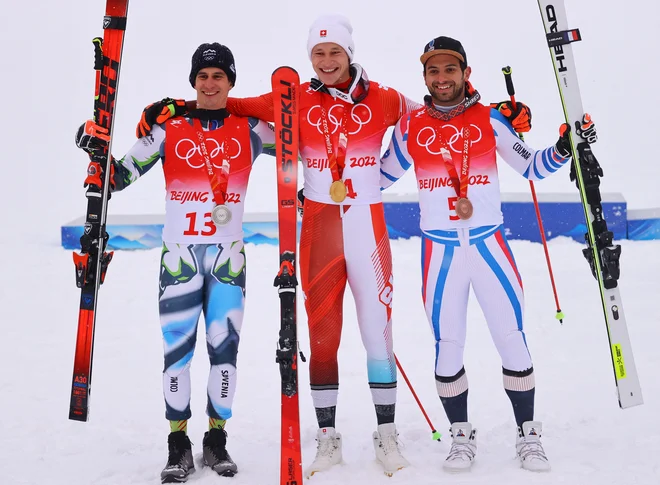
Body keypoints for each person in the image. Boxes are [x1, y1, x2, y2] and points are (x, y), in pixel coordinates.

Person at [135, 17, 530, 478]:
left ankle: (386, 434)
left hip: (368, 227)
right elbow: (229, 104)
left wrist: (499, 112)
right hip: (320, 230)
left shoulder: (383, 99)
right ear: (310, 58)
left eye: (335, 53)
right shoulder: (293, 100)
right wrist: (170, 109)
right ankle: (327, 437)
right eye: (318, 54)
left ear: (348, 54)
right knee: (323, 338)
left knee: (377, 335)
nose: (327, 61)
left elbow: (437, 109)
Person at [379, 36, 597, 473]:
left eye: (449, 69)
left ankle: (528, 433)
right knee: (448, 347)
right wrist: (323, 187)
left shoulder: (491, 119)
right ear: (425, 76)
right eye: (433, 71)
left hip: (488, 247)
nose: (441, 79)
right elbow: (378, 177)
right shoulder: (410, 127)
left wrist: (567, 144)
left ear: (465, 72)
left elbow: (534, 166)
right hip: (439, 253)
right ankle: (461, 436)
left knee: (511, 339)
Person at [75, 42, 276, 483]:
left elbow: (301, 146)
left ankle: (217, 440)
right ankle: (178, 444)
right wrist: (93, 147)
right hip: (179, 259)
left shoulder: (252, 129)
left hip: (229, 261)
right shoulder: (169, 129)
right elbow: (119, 177)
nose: (209, 83)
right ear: (193, 81)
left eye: (218, 76)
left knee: (225, 354)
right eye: (202, 77)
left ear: (231, 82)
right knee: (177, 355)